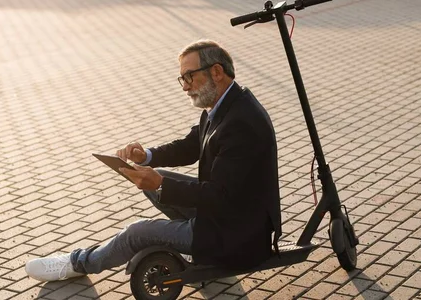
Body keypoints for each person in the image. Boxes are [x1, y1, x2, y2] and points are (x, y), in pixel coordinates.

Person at [25, 39, 282, 282]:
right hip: (226, 218)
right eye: (182, 78)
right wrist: (147, 156)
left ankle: (77, 263)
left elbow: (220, 196)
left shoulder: (241, 124)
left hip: (236, 238)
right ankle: (186, 239)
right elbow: (191, 146)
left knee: (138, 232)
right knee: (155, 182)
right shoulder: (225, 104)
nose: (185, 86)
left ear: (216, 72)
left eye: (190, 76)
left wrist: (160, 184)